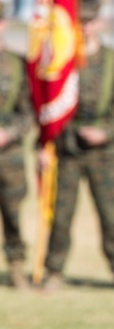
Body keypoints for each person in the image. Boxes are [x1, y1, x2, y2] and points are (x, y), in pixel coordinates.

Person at [41, 0, 114, 291]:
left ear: (100, 24)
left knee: (111, 214)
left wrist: (105, 132)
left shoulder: (113, 61)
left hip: (103, 153)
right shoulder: (62, 60)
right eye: (80, 23)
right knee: (61, 213)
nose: (85, 27)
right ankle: (53, 271)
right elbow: (48, 104)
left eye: (91, 22)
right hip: (68, 150)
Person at [0, 5, 32, 290]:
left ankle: (17, 268)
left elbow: (29, 112)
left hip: (8, 155)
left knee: (12, 214)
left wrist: (8, 133)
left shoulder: (18, 65)